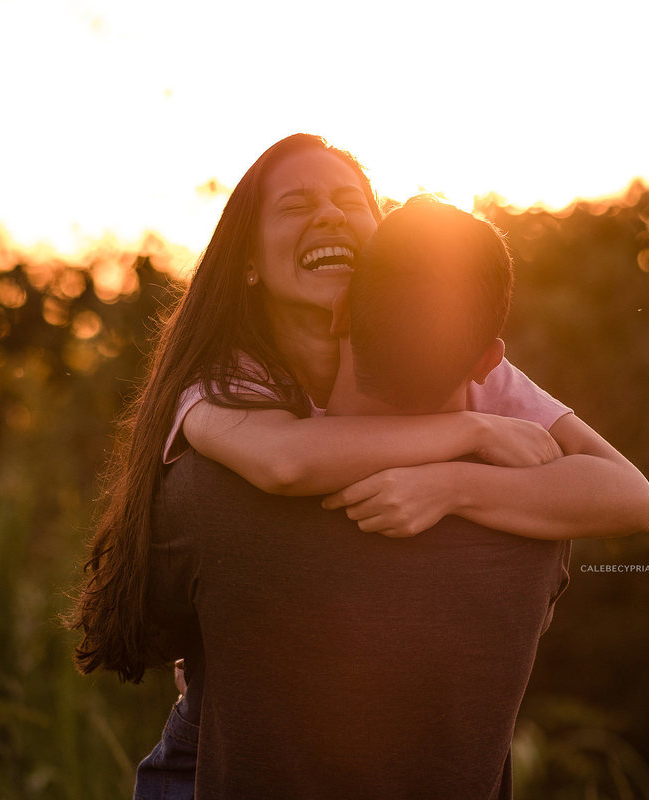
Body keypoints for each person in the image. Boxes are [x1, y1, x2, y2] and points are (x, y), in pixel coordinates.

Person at [65, 134, 649, 791]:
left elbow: (629, 496)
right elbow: (284, 462)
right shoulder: (226, 375)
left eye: (349, 200)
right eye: (295, 206)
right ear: (250, 262)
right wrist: (468, 431)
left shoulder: (458, 354)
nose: (327, 215)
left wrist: (453, 486)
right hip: (233, 727)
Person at [147, 197, 573, 797]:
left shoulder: (215, 491)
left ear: (342, 311)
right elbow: (635, 500)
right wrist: (467, 458)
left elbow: (157, 628)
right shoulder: (536, 518)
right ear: (487, 360)